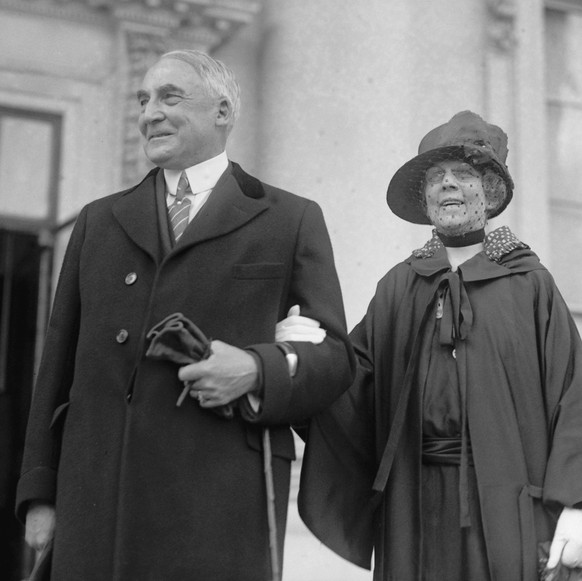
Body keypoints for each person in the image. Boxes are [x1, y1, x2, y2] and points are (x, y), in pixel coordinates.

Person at [16, 49, 354, 581]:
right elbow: (55, 367)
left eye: (170, 97)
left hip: (220, 499)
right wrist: (39, 492)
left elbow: (334, 358)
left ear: (222, 113)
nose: (150, 112)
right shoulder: (99, 221)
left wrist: (256, 368)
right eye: (144, 99)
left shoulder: (289, 219)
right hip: (99, 497)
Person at [277, 111, 582, 580]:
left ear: (490, 191)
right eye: (436, 178)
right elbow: (349, 386)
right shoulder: (399, 287)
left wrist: (576, 505)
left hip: (505, 504)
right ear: (425, 198)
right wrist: (302, 363)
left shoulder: (530, 286)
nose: (448, 186)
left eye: (462, 175)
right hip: (414, 504)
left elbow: (573, 396)